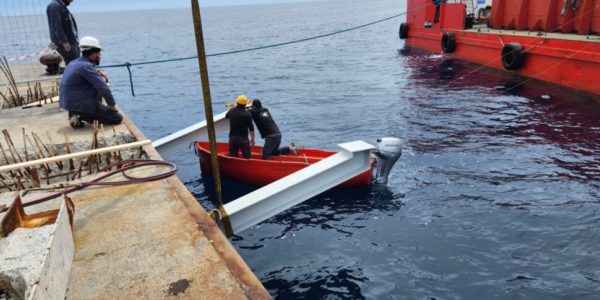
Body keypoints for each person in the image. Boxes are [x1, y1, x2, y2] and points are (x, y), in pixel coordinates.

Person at [60, 36, 122, 128]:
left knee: (96, 86)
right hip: (81, 104)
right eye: (99, 54)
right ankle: (81, 115)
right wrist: (112, 105)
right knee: (116, 118)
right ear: (93, 55)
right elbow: (104, 88)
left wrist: (97, 73)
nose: (100, 56)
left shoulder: (74, 62)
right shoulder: (86, 66)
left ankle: (76, 113)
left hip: (70, 104)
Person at [46, 0, 79, 66]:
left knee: (75, 65)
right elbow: (57, 26)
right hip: (65, 44)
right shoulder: (55, 6)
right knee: (73, 66)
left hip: (70, 43)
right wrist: (65, 42)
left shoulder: (61, 6)